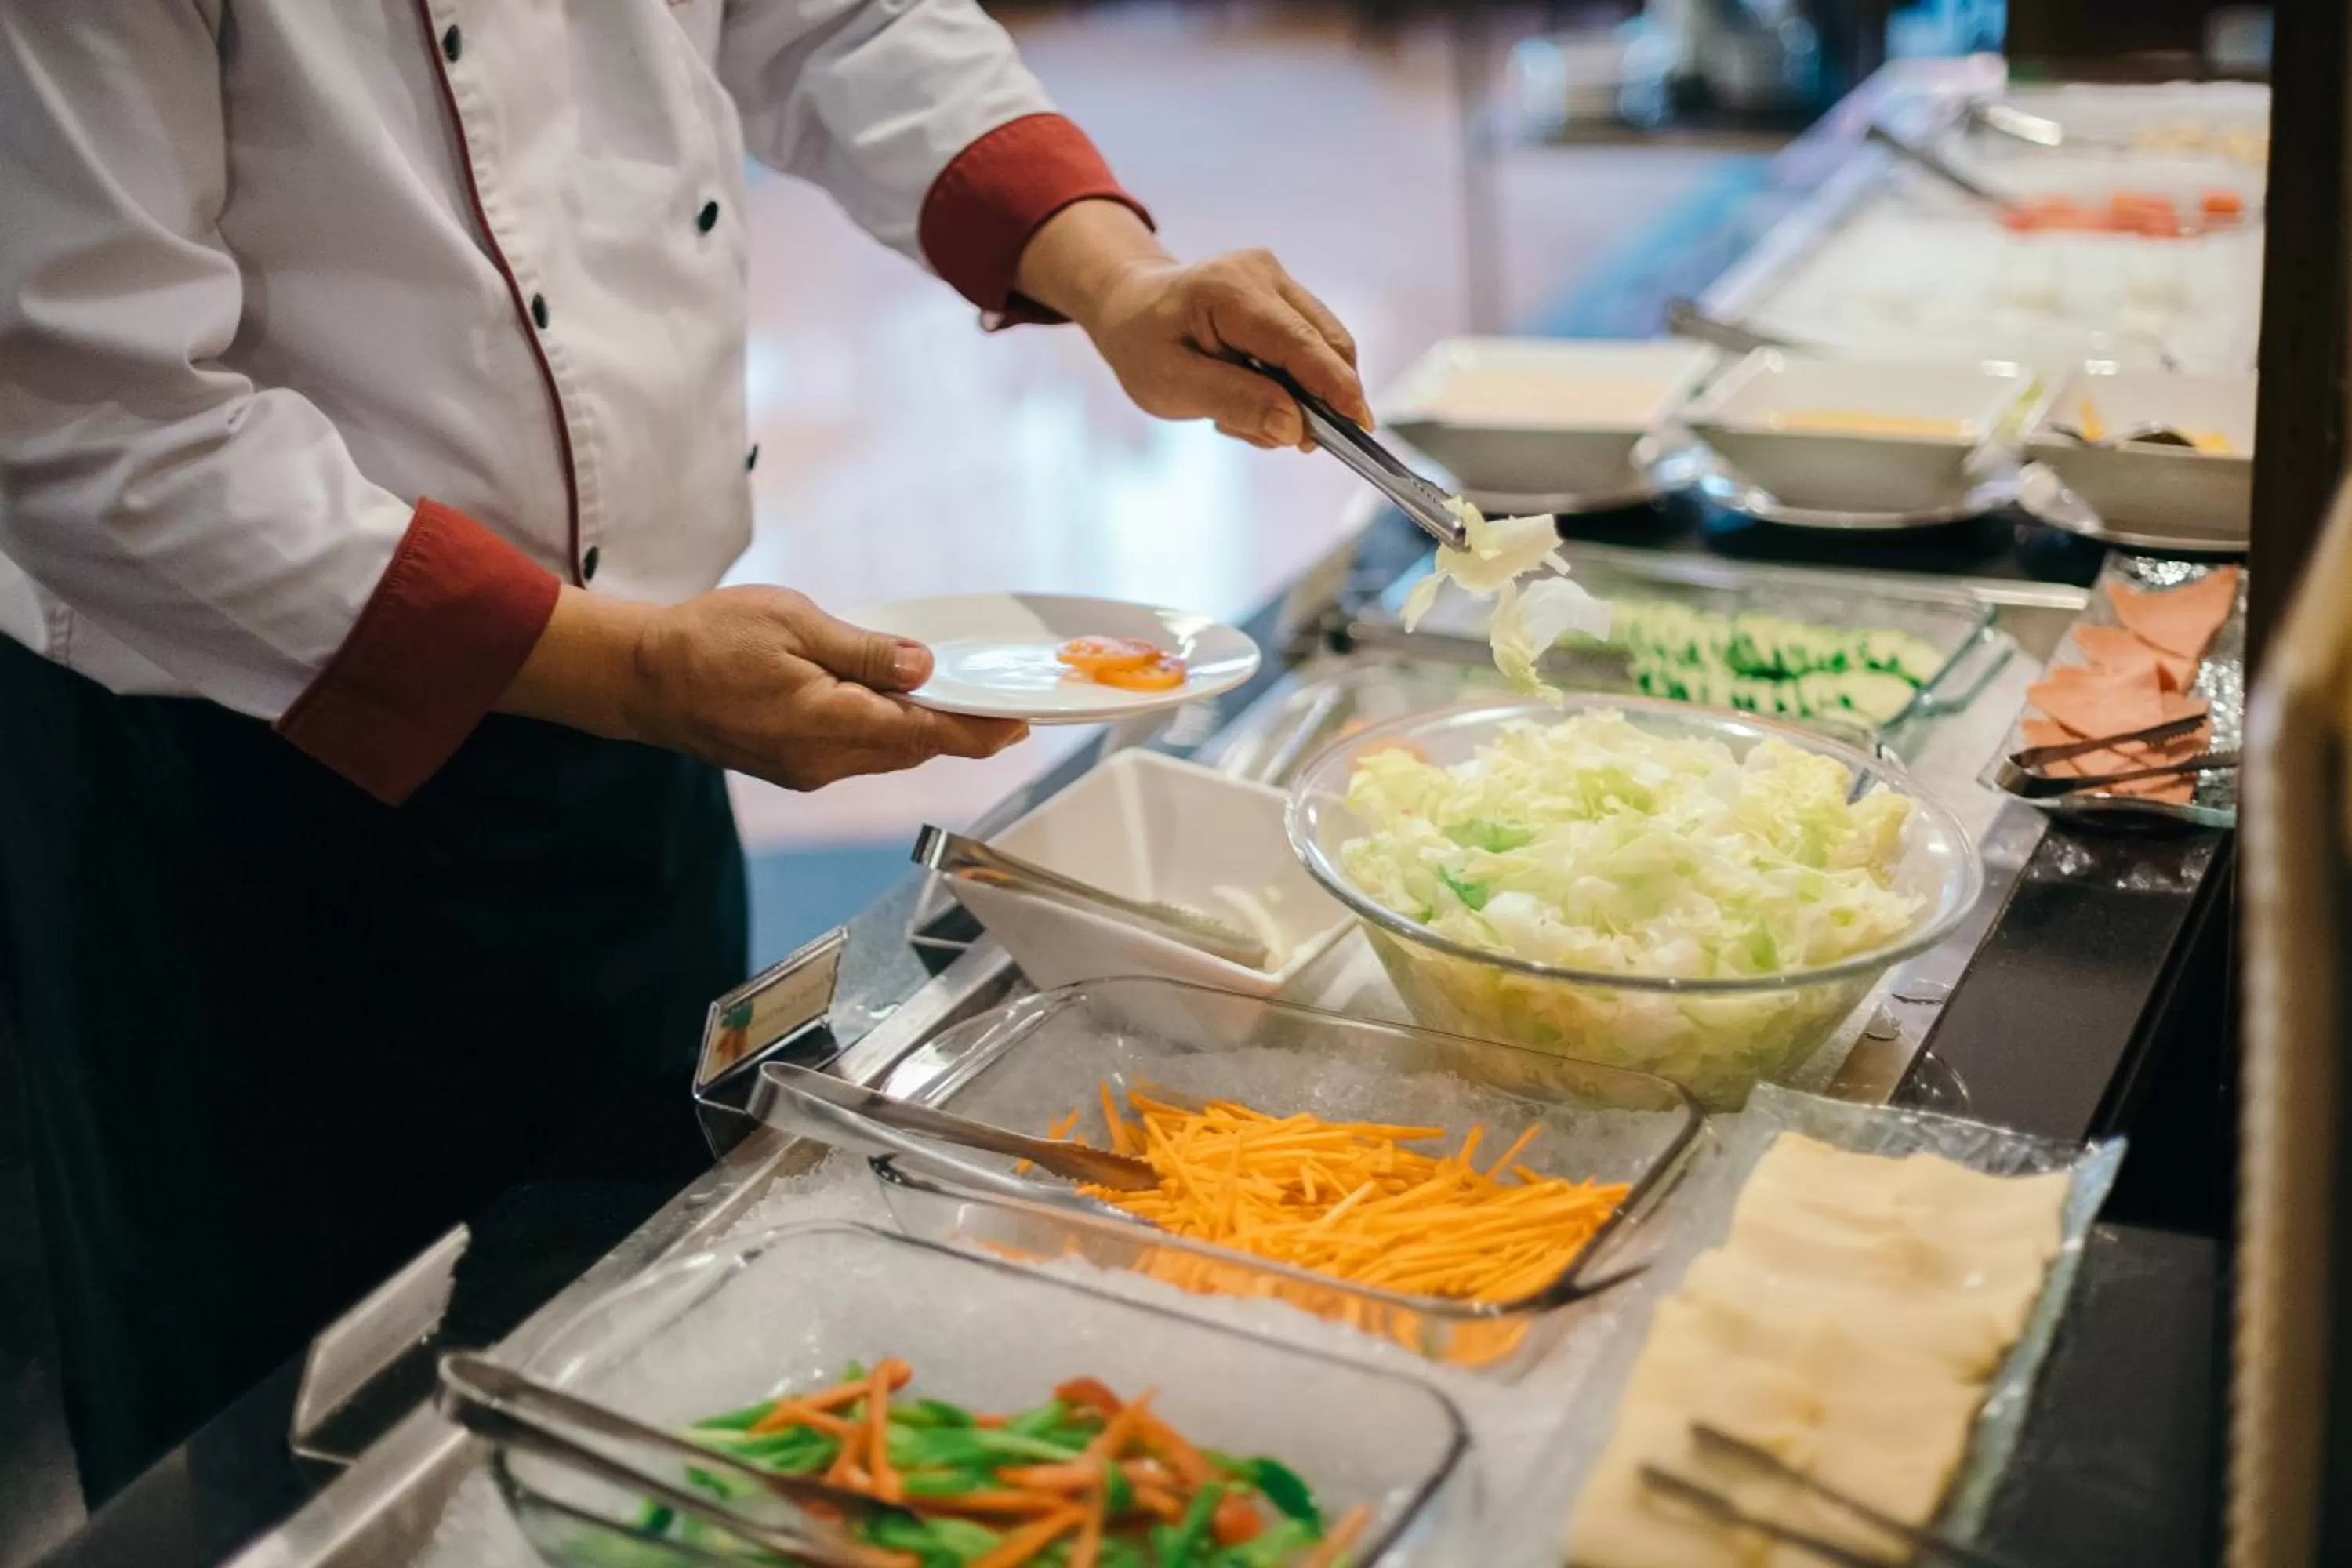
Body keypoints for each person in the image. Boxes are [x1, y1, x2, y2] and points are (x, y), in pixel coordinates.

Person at [0, 1, 1370, 1501]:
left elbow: (843, 20)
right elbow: (87, 417)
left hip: (637, 725)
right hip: (238, 781)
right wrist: (635, 670)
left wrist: (1118, 276)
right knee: (291, 1434)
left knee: (646, 1327)